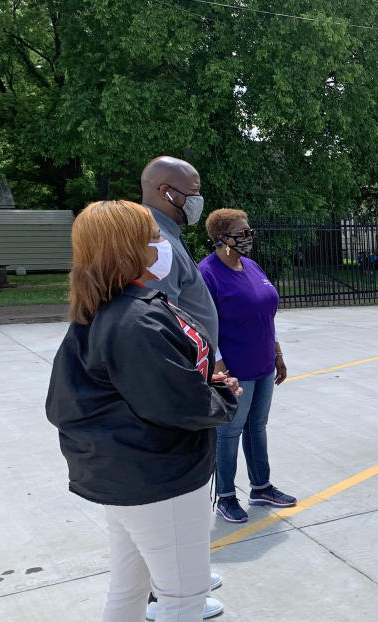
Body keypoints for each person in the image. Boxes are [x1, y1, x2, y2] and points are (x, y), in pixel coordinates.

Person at [45, 200, 240, 621]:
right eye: (153, 238)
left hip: (123, 476)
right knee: (183, 600)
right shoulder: (135, 321)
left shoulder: (99, 312)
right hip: (157, 479)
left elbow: (64, 402)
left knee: (129, 588)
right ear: (128, 248)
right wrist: (224, 396)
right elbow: (178, 403)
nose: (161, 245)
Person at [140, 156, 226, 619]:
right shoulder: (158, 243)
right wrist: (199, 374)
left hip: (193, 374)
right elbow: (160, 322)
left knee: (193, 486)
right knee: (181, 491)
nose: (196, 200)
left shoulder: (166, 236)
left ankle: (184, 573)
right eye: (190, 192)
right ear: (164, 191)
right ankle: (170, 592)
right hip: (183, 383)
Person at [200, 209, 297, 523]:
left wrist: (278, 353)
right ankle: (226, 496)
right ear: (221, 238)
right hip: (234, 369)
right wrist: (220, 368)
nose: (248, 237)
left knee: (257, 428)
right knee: (229, 432)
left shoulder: (251, 267)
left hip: (263, 363)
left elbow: (266, 312)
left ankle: (261, 486)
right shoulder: (208, 273)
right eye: (241, 233)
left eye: (249, 231)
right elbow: (205, 324)